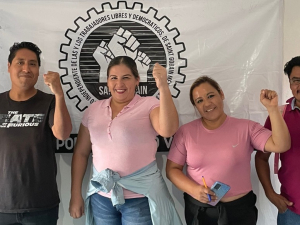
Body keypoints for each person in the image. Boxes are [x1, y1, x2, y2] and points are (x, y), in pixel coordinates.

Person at [69, 56, 182, 225]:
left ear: (137, 80)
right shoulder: (93, 110)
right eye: (113, 78)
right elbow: (81, 153)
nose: (119, 84)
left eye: (126, 78)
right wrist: (75, 194)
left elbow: (168, 130)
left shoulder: (149, 104)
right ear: (107, 81)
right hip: (102, 198)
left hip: (140, 199)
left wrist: (163, 86)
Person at [166, 75, 291, 225]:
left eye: (210, 96)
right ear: (196, 106)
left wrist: (272, 110)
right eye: (200, 101)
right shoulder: (185, 132)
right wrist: (194, 190)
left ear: (221, 94)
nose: (207, 103)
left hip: (239, 211)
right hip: (200, 211)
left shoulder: (246, 128)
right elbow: (172, 169)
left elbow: (281, 145)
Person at [0, 42, 72, 225]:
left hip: (40, 206)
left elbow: (62, 134)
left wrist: (59, 95)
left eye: (32, 63)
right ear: (8, 67)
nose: (26, 68)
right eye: (20, 62)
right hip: (2, 206)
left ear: (38, 70)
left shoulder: (49, 102)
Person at [255, 56, 300, 225]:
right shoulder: (278, 116)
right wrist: (270, 193)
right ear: (289, 83)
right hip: (292, 210)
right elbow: (261, 157)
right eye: (296, 80)